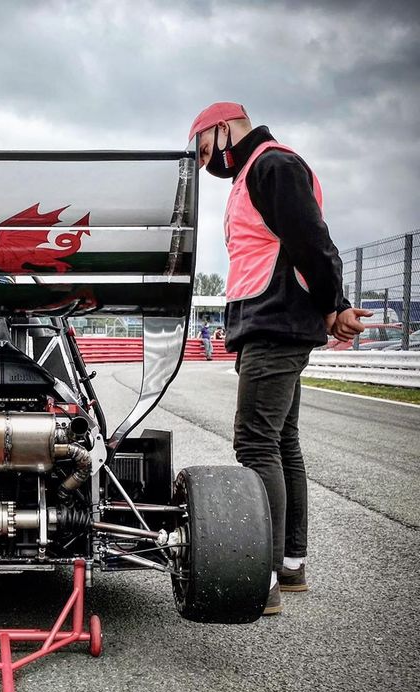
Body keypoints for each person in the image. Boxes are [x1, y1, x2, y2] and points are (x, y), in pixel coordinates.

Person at [188, 102, 371, 615]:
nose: (208, 164)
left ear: (223, 128)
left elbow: (315, 243)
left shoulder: (273, 165)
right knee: (282, 442)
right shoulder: (250, 174)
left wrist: (334, 305)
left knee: (255, 443)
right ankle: (290, 565)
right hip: (268, 323)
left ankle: (261, 576)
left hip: (276, 323)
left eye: (206, 151)